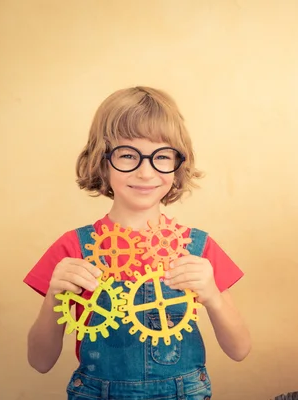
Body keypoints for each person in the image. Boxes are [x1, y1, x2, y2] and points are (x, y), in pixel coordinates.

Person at [24, 86, 251, 400]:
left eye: (161, 156)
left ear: (177, 163)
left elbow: (240, 349)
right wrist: (53, 296)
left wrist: (211, 294)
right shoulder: (72, 249)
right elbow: (40, 361)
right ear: (102, 161)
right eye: (128, 155)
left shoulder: (196, 248)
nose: (146, 172)